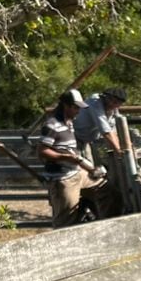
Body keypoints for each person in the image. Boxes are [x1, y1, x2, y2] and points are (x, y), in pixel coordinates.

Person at [37, 89, 107, 227]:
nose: (78, 111)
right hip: (63, 178)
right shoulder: (52, 124)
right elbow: (42, 151)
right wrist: (66, 157)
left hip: (77, 172)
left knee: (107, 190)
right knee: (66, 220)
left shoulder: (69, 122)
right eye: (75, 107)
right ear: (65, 105)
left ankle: (103, 224)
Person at [74, 87, 128, 161]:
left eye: (117, 103)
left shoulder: (113, 108)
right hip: (72, 139)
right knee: (76, 167)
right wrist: (118, 151)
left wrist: (122, 148)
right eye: (112, 101)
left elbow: (112, 131)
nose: (112, 104)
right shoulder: (95, 103)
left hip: (86, 141)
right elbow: (105, 131)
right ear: (106, 97)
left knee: (89, 166)